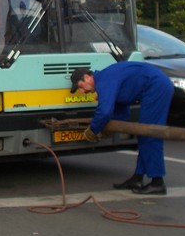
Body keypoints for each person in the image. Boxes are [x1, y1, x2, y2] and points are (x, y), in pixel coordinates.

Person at [69, 62, 174, 195]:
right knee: (143, 136)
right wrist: (108, 130)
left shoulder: (104, 80)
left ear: (87, 77)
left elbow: (105, 112)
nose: (82, 92)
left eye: (80, 86)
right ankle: (137, 178)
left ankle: (157, 183)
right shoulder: (107, 79)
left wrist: (93, 130)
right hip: (155, 86)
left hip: (156, 87)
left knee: (150, 134)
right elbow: (121, 112)